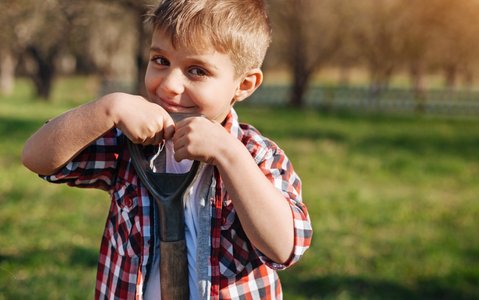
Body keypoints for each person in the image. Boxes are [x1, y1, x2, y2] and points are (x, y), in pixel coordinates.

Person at [21, 0, 312, 298]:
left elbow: (285, 248)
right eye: (160, 61)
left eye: (197, 70)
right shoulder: (129, 144)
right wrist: (108, 107)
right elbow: (36, 157)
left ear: (245, 84)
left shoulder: (256, 155)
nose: (170, 84)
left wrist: (230, 156)